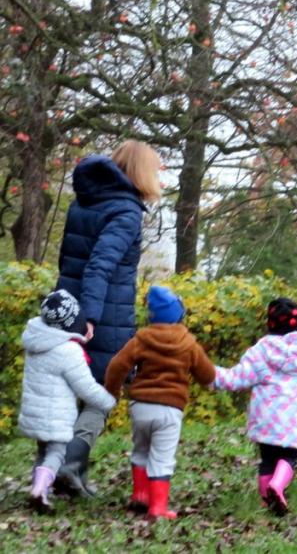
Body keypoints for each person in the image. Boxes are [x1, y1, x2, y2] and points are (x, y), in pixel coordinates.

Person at [55, 140, 162, 497]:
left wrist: (73, 310)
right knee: (103, 392)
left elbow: (69, 261)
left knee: (69, 394)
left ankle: (66, 473)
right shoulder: (126, 211)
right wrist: (91, 316)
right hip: (102, 315)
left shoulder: (84, 203)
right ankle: (68, 467)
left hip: (68, 306)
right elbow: (99, 265)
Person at [214, 298, 297, 516]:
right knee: (289, 457)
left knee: (267, 460)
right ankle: (278, 485)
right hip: (293, 422)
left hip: (265, 420)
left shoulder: (260, 351)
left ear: (270, 323)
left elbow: (236, 378)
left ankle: (267, 501)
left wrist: (210, 375)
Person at [104, 285, 216, 520]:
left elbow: (117, 366)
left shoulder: (141, 339)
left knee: (141, 450)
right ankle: (157, 508)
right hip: (169, 409)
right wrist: (208, 381)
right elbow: (207, 375)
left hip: (141, 406)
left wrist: (112, 392)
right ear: (179, 313)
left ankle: (140, 495)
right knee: (162, 458)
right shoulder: (188, 343)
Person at [18, 290, 116, 513]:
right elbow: (86, 388)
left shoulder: (35, 343)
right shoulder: (69, 351)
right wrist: (107, 401)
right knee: (56, 454)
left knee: (42, 452)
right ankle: (39, 490)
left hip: (35, 413)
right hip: (57, 416)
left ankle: (40, 488)